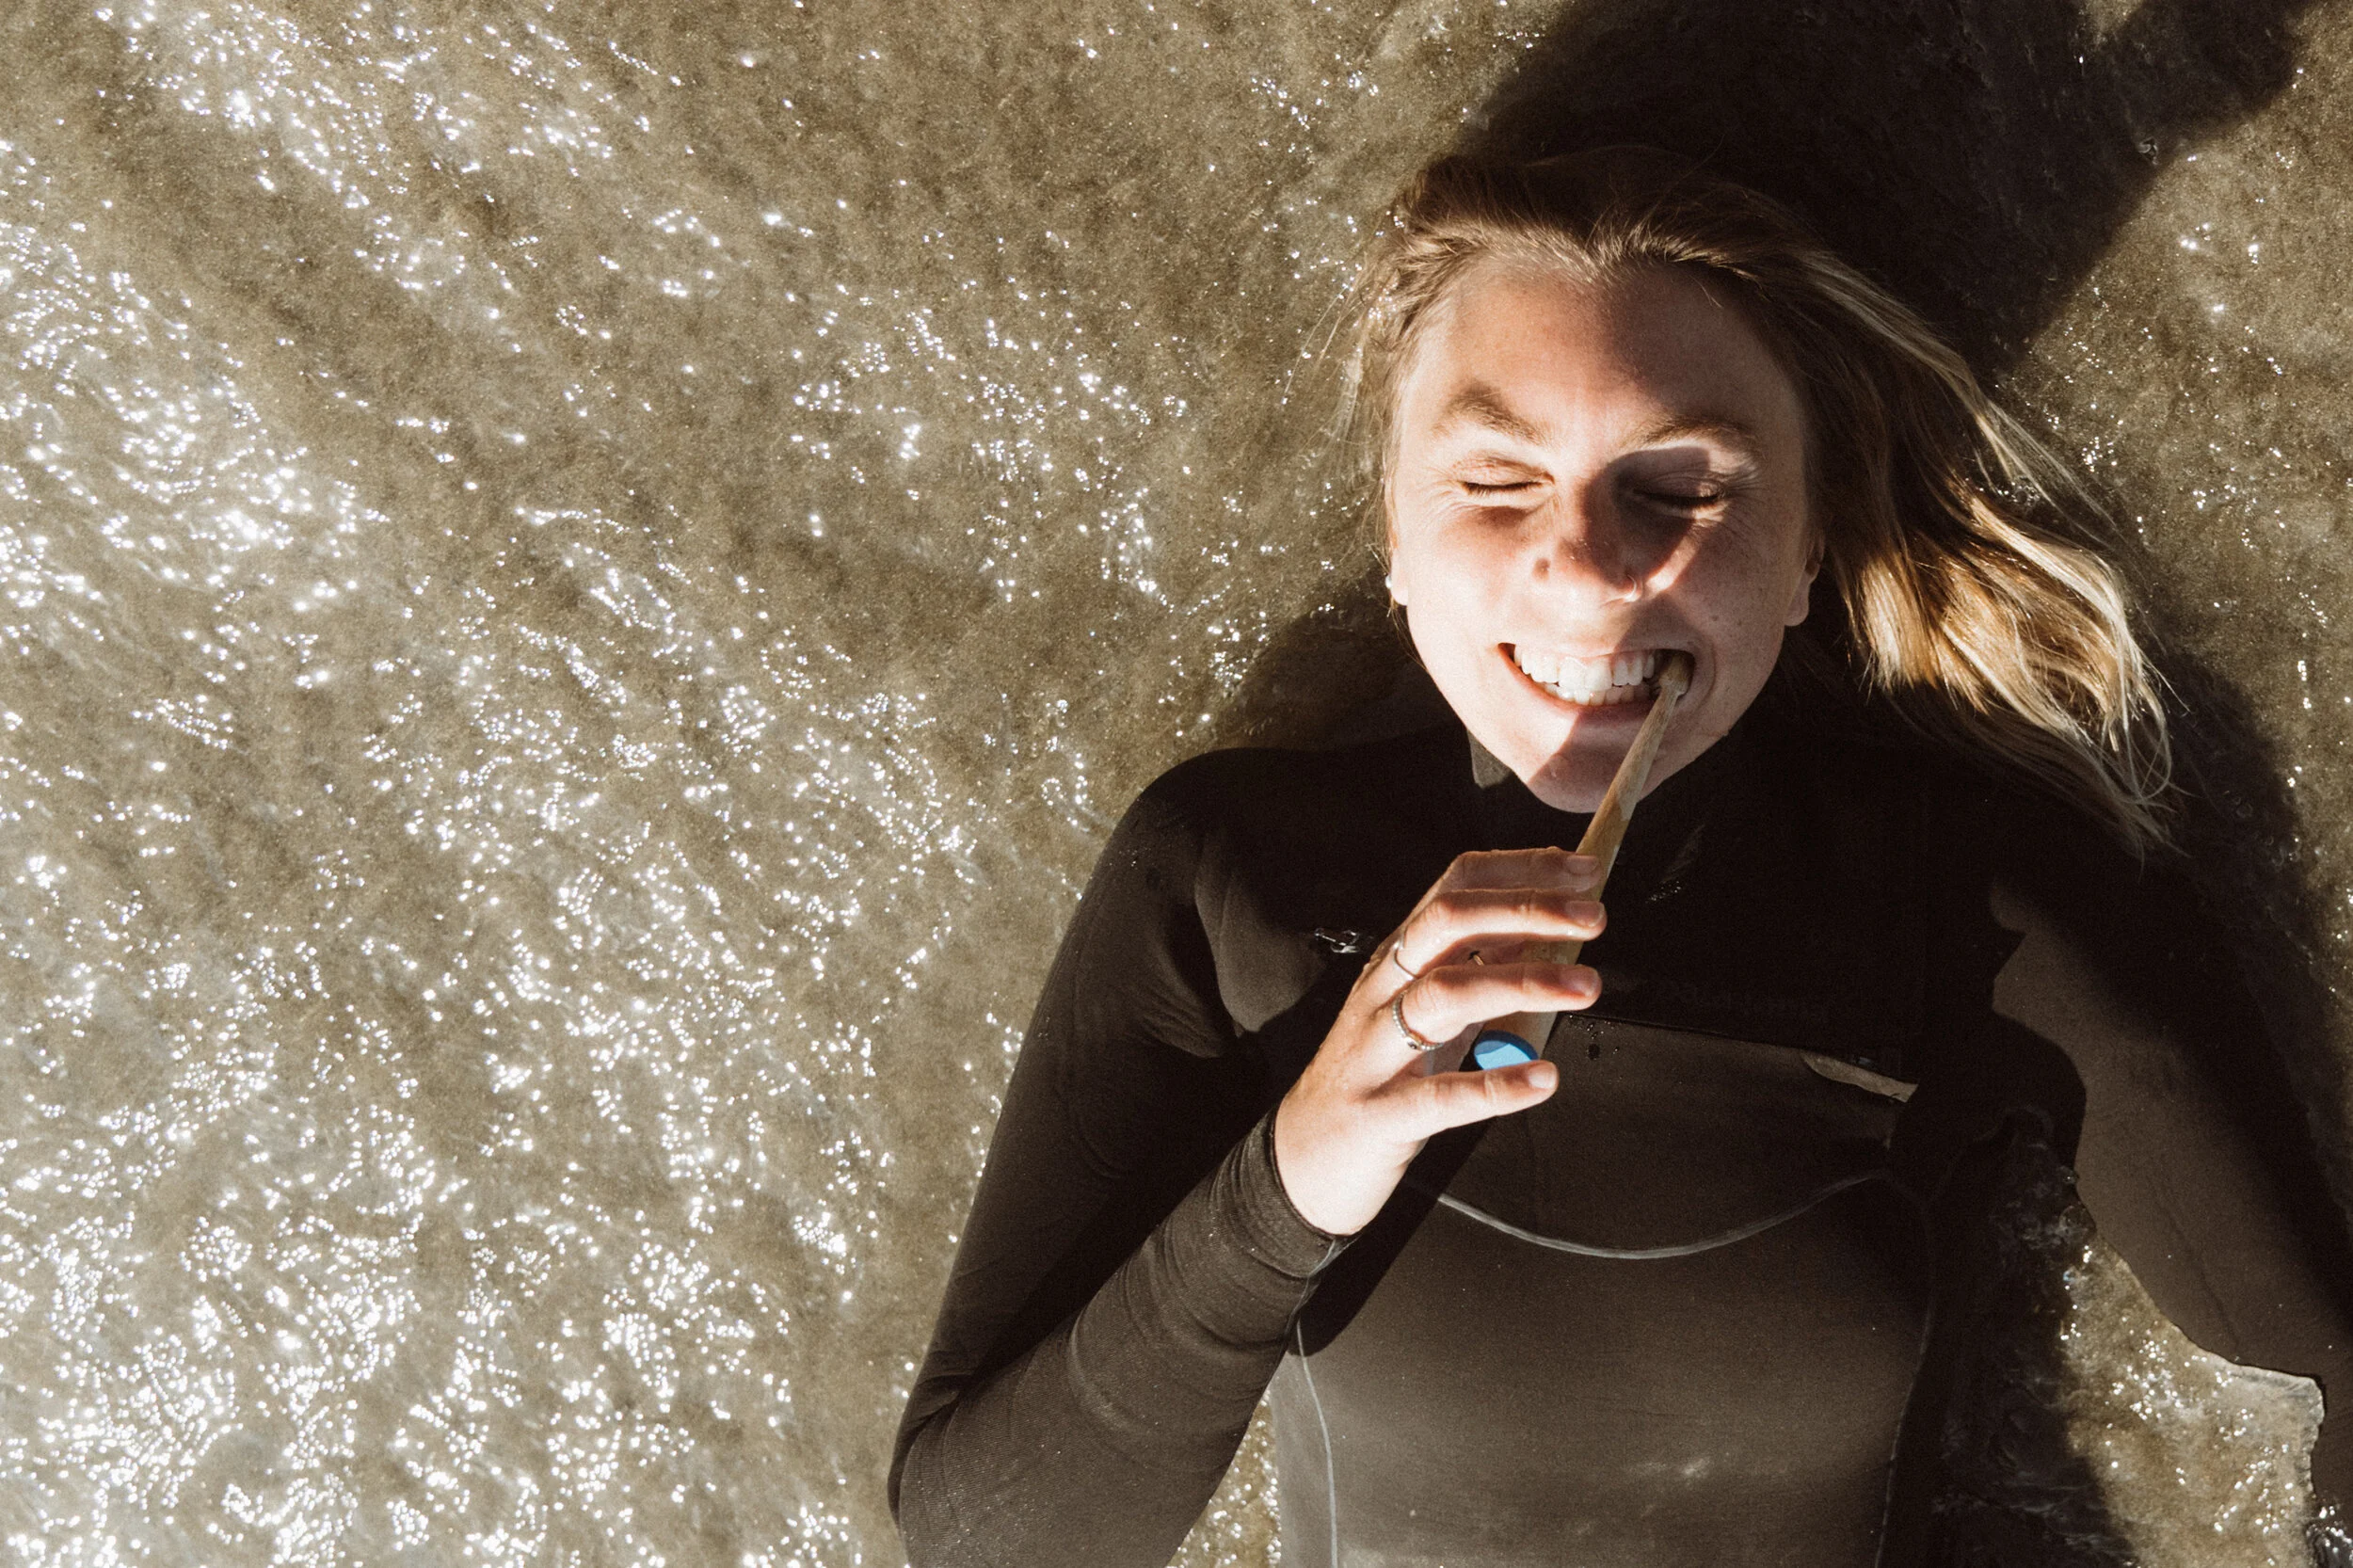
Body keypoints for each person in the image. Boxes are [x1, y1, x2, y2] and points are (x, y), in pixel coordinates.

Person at [888, 147, 2353, 1566]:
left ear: (1805, 548)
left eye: (1676, 489)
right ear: (1395, 531)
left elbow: (2329, 1365)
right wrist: (1296, 1171)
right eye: (1495, 479)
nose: (1585, 567)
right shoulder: (1230, 884)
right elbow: (980, 1537)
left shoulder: (1979, 903)